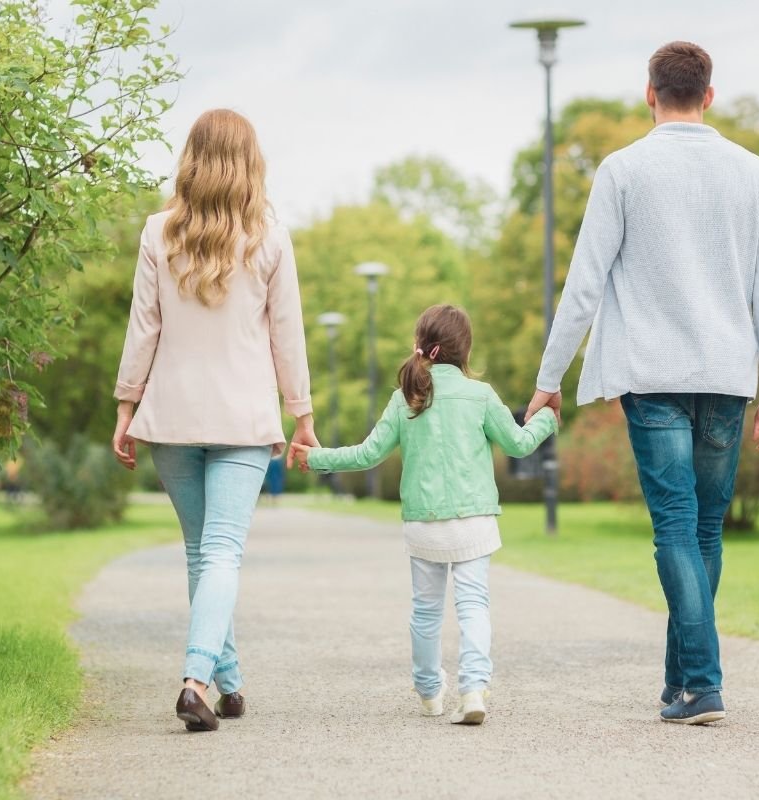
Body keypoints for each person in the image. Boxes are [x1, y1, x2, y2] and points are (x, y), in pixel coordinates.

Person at [526, 41, 759, 725]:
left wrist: (549, 379)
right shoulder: (753, 172)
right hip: (730, 374)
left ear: (650, 93)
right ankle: (682, 682)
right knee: (704, 528)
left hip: (651, 373)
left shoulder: (623, 170)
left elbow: (583, 284)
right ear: (709, 95)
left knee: (677, 524)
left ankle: (702, 683)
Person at [111, 109, 317, 732]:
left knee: (203, 553)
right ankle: (196, 680)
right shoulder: (270, 237)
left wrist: (126, 406)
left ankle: (228, 683)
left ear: (191, 159)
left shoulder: (157, 233)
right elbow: (288, 336)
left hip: (171, 415)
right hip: (243, 419)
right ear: (251, 163)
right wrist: (301, 414)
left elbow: (144, 328)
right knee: (221, 551)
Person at [290, 305, 558, 726]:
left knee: (426, 612)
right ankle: (472, 689)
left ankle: (430, 691)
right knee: (474, 606)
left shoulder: (406, 398)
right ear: (464, 349)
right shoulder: (480, 395)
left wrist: (316, 457)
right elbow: (520, 444)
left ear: (422, 346)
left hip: (424, 524)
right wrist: (546, 419)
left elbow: (367, 454)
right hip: (474, 520)